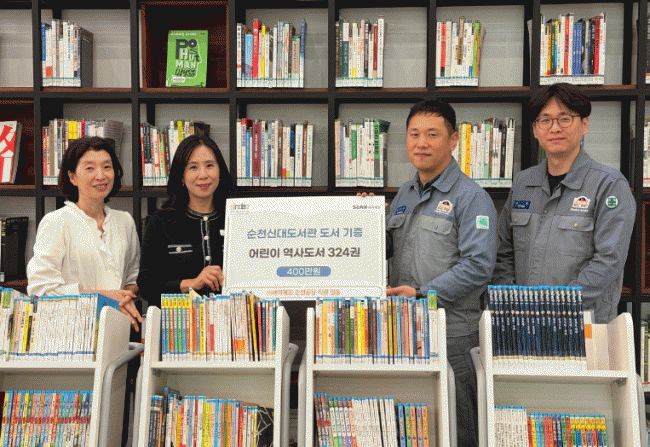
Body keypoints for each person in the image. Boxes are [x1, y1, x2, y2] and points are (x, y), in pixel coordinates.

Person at [386, 99, 497, 447]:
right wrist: (363, 217)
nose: (421, 143)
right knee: (419, 431)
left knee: (459, 431)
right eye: (414, 134)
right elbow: (386, 248)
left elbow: (478, 266)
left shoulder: (472, 197)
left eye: (432, 135)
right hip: (404, 329)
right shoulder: (405, 193)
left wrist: (423, 295)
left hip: (452, 337)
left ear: (452, 141)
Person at [492, 83, 636, 324]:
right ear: (535, 129)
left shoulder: (609, 185)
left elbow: (608, 261)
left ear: (585, 124)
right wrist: (514, 303)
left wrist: (555, 308)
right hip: (523, 322)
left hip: (583, 324)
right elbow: (504, 253)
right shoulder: (523, 183)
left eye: (565, 119)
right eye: (545, 120)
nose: (555, 128)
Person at [27, 136, 142, 331]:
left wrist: (126, 297)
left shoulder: (125, 221)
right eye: (90, 168)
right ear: (72, 177)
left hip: (116, 329)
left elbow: (133, 276)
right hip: (70, 332)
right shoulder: (56, 222)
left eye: (107, 167)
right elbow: (41, 290)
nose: (101, 175)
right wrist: (104, 297)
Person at [137, 134, 234, 309]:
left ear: (220, 171)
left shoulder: (236, 219)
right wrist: (192, 283)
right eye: (193, 167)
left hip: (229, 319)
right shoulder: (160, 222)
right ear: (181, 176)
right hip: (177, 322)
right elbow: (146, 285)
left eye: (210, 165)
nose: (203, 175)